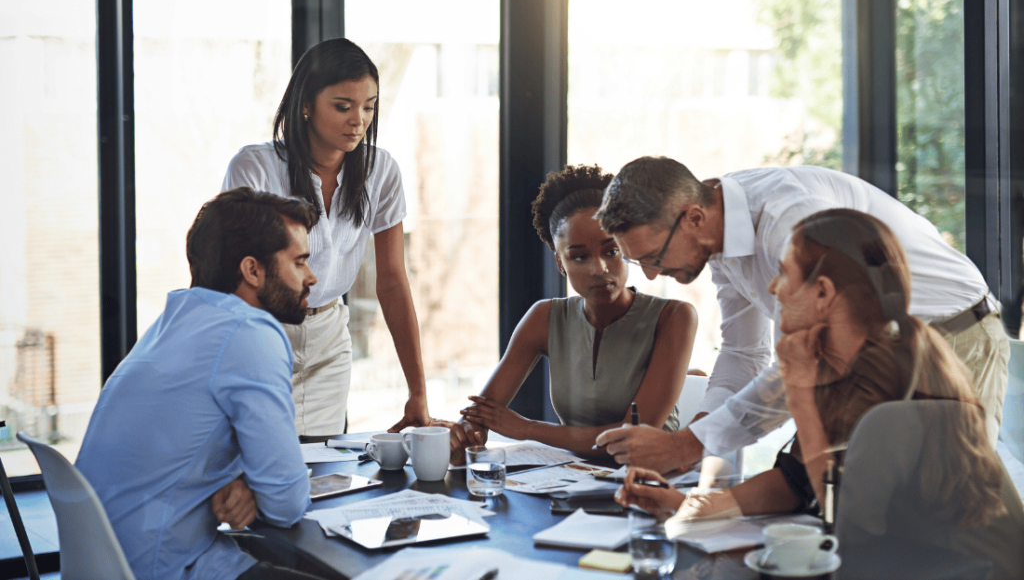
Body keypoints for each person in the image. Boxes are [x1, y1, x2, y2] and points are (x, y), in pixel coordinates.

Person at [616, 209, 1024, 580]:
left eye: (787, 273)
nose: (773, 288)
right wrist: (682, 505)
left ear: (824, 292)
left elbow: (844, 524)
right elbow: (797, 481)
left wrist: (799, 392)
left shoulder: (900, 381)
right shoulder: (845, 363)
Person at [594, 158, 1009, 473]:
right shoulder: (715, 237)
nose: (650, 274)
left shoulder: (791, 220)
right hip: (873, 351)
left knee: (943, 508)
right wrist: (691, 442)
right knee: (826, 493)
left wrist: (688, 445)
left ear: (694, 218)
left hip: (951, 334)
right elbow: (743, 352)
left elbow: (811, 358)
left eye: (652, 257)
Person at [76, 188, 322, 580]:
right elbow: (288, 502)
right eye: (299, 262)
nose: (311, 278)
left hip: (109, 563)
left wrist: (245, 483)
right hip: (163, 567)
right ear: (252, 270)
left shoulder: (176, 322)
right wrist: (259, 490)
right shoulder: (250, 332)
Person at [223, 38, 429, 438]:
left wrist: (417, 391)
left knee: (323, 470)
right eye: (342, 106)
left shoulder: (381, 172)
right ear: (306, 104)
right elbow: (229, 282)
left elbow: (391, 281)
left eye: (368, 107)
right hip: (262, 333)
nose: (359, 120)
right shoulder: (255, 168)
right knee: (262, 469)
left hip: (329, 337)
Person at [447, 164, 697, 462]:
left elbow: (634, 435)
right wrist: (464, 432)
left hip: (649, 485)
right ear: (560, 263)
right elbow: (483, 413)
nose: (599, 269)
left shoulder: (674, 317)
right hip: (570, 482)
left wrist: (527, 428)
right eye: (579, 256)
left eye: (611, 250)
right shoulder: (544, 317)